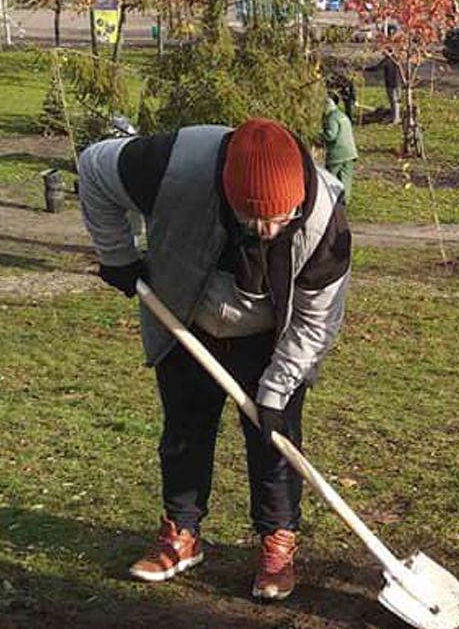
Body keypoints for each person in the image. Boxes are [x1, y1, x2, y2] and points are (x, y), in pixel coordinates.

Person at [77, 118, 352, 602]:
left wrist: (275, 390)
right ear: (226, 191)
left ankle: (277, 542)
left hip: (272, 336)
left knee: (276, 442)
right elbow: (94, 167)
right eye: (252, 219)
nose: (267, 232)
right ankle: (181, 534)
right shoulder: (174, 166)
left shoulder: (325, 222)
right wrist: (117, 256)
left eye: (279, 219)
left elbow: (315, 323)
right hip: (186, 318)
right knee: (184, 432)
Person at [320, 94, 358, 204]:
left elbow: (331, 135)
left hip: (338, 154)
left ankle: (330, 199)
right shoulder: (342, 115)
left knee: (330, 177)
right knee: (346, 178)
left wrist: (317, 135)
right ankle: (345, 200)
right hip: (350, 152)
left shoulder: (332, 117)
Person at [366, 47, 402, 125]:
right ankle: (395, 116)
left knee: (394, 102)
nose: (383, 53)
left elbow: (377, 68)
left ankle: (395, 118)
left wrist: (366, 69)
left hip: (391, 84)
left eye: (384, 52)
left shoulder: (387, 60)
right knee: (396, 102)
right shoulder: (396, 59)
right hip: (398, 83)